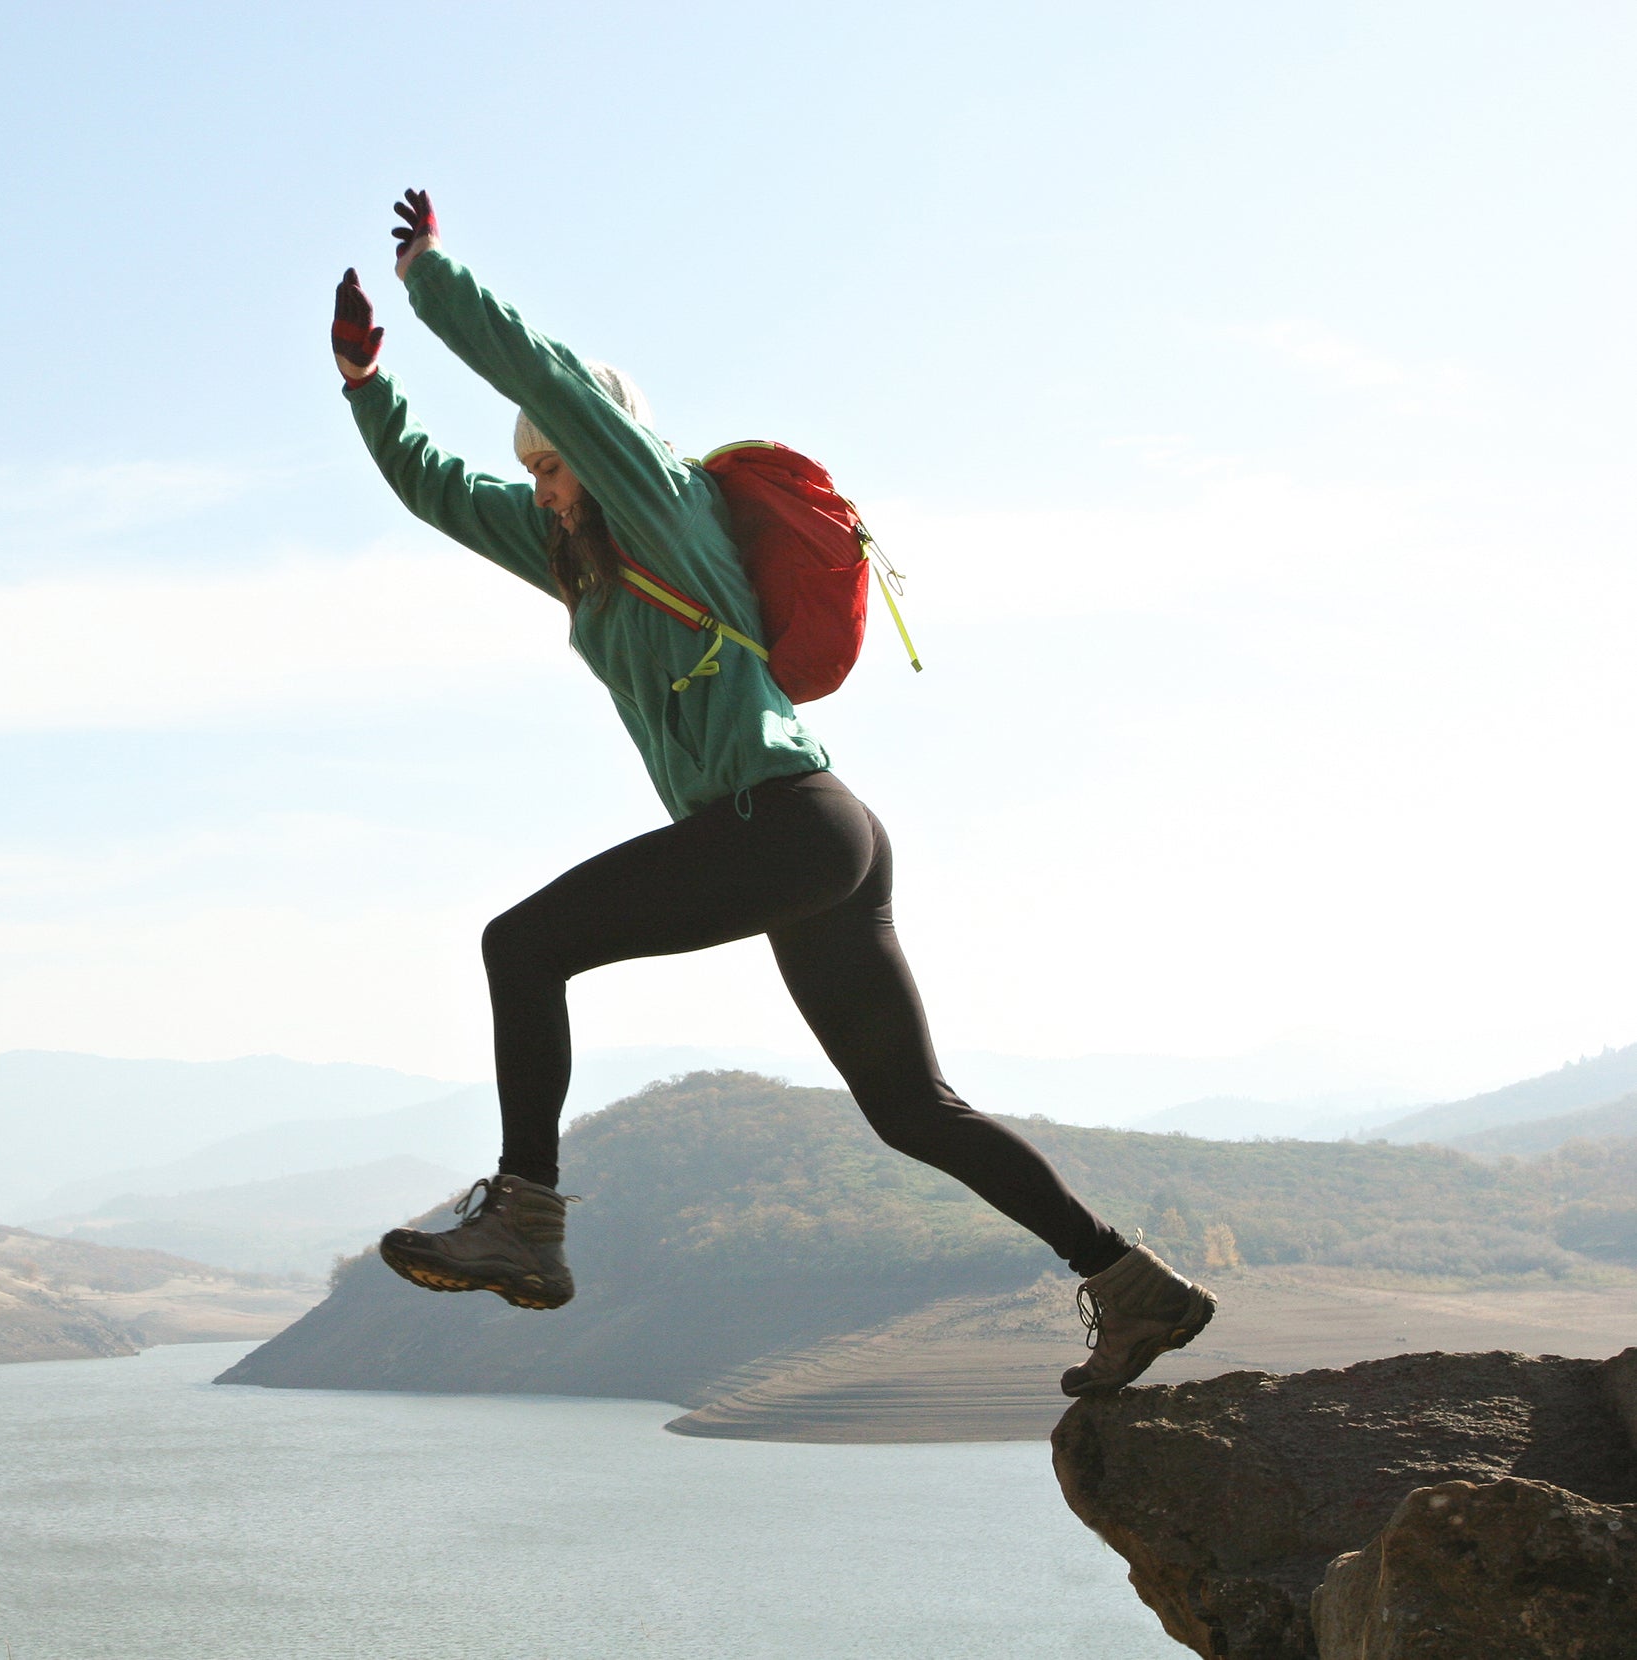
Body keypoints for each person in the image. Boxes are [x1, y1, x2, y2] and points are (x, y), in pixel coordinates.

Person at [330, 189, 1215, 1396]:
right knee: (913, 1109)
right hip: (816, 832)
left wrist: (432, 277)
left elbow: (536, 366)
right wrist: (366, 391)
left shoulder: (659, 500)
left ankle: (525, 1221)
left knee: (520, 945)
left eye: (551, 463)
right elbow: (436, 491)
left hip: (784, 821)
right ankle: (1132, 1284)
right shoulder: (584, 561)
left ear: (593, 449)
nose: (539, 484)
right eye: (533, 472)